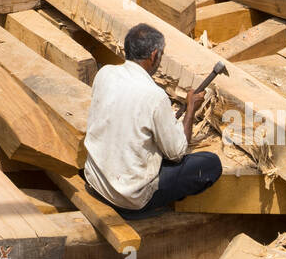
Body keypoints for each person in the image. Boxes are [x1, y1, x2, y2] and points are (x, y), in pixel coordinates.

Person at [82, 23, 222, 220]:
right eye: (161, 55)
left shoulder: (105, 73)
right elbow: (177, 154)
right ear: (154, 55)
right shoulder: (155, 96)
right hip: (129, 198)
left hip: (96, 182)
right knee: (210, 164)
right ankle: (147, 208)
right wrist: (190, 110)